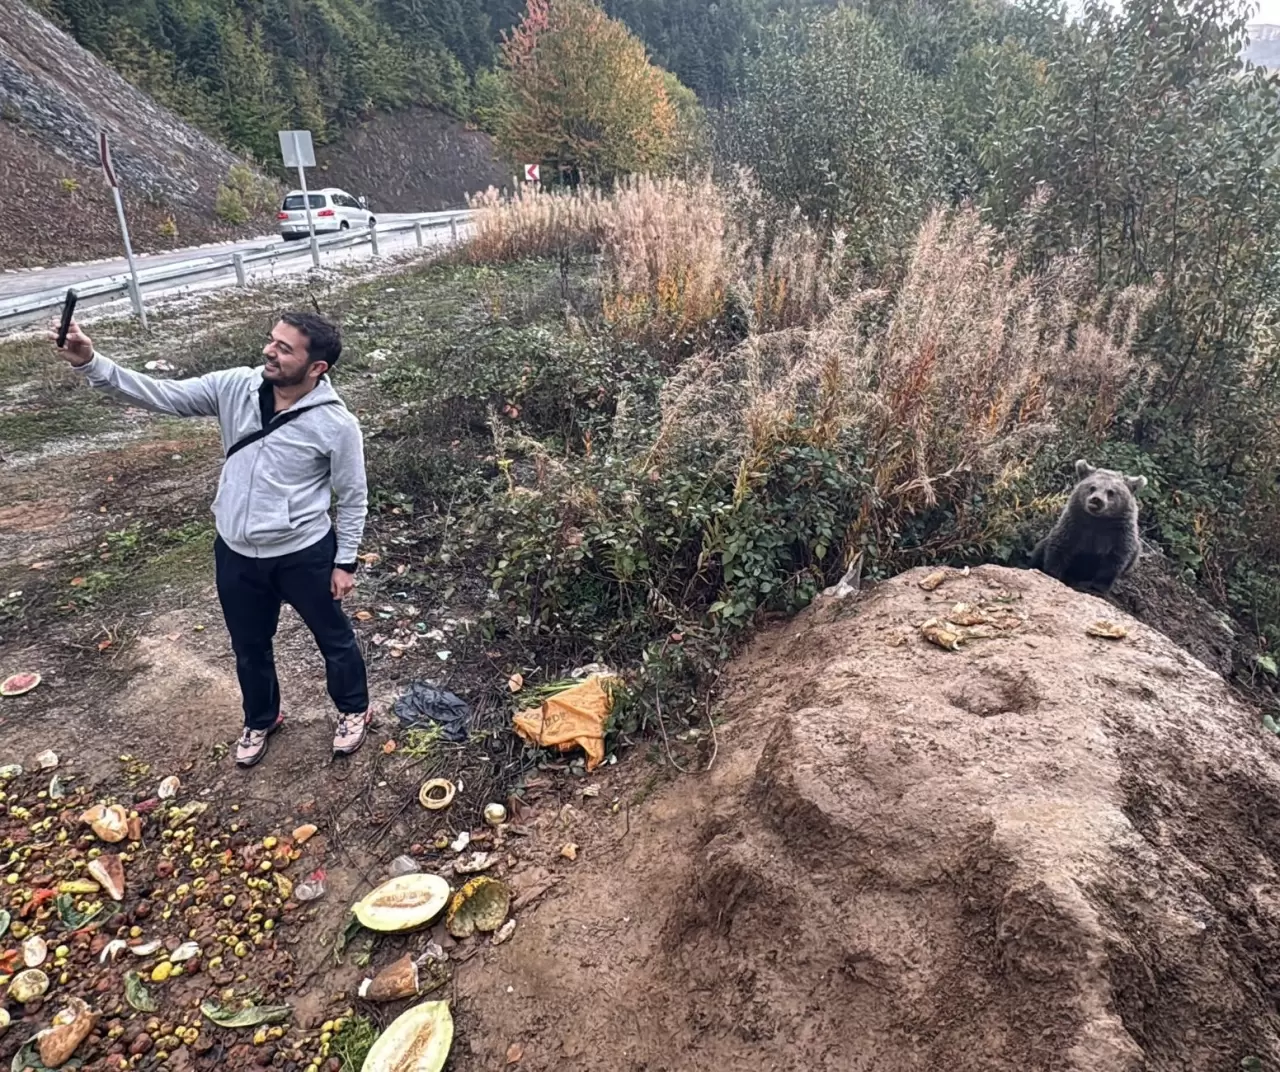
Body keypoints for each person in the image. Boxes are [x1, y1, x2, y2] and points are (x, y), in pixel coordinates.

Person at [51, 312, 373, 768]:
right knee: (249, 646)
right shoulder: (235, 387)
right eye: (271, 341)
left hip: (303, 553)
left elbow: (354, 495)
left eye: (285, 349)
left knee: (333, 639)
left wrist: (345, 562)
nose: (269, 351)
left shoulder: (337, 425)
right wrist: (91, 362)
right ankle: (262, 717)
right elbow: (162, 395)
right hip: (236, 553)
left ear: (317, 367)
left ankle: (353, 709)